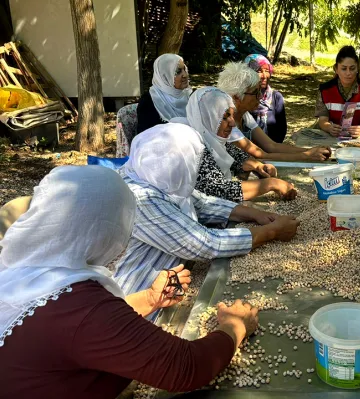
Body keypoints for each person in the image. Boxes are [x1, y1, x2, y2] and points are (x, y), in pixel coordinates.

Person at [0, 165, 261, 398]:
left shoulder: (29, 276)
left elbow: (78, 331)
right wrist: (234, 327)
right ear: (102, 231)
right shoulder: (84, 307)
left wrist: (149, 299)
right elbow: (185, 368)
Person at [113, 124, 300, 298]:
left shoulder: (153, 175)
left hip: (169, 285)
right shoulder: (140, 198)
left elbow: (202, 203)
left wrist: (257, 215)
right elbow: (204, 244)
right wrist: (272, 232)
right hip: (138, 298)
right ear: (177, 161)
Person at [178, 87, 298, 202]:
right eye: (224, 118)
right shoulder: (192, 146)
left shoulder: (215, 140)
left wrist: (259, 166)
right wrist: (271, 184)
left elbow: (238, 157)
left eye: (231, 115)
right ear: (207, 118)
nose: (232, 123)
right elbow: (219, 190)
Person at [217, 64, 331, 161]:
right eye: (255, 93)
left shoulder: (245, 116)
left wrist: (311, 151)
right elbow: (262, 155)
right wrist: (306, 156)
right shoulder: (226, 124)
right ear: (237, 97)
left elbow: (271, 146)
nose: (261, 96)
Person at [310, 45, 360, 139]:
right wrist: (329, 127)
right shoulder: (325, 90)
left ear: (357, 68)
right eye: (344, 68)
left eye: (352, 68)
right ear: (336, 69)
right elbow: (322, 120)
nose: (348, 73)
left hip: (359, 140)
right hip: (330, 139)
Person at [135, 53, 191, 136]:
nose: (185, 75)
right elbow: (145, 136)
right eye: (178, 72)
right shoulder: (150, 100)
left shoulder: (189, 95)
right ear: (165, 76)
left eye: (184, 69)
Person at [243, 54, 288, 143]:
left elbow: (282, 130)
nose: (264, 75)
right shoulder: (242, 97)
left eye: (267, 71)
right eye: (259, 71)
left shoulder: (276, 97)